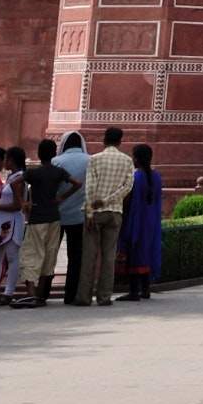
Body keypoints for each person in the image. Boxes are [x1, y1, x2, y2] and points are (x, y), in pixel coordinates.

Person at [16, 138, 75, 307]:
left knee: (31, 255)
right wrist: (62, 197)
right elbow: (77, 183)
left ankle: (31, 294)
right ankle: (41, 295)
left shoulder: (34, 173)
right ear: (54, 153)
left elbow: (14, 183)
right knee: (49, 256)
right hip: (54, 218)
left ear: (39, 154)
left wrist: (22, 202)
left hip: (37, 218)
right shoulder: (58, 171)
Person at [80, 126, 133, 306]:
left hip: (96, 213)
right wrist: (110, 200)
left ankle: (84, 297)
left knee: (89, 256)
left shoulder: (95, 159)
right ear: (120, 141)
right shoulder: (127, 161)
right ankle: (104, 297)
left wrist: (90, 211)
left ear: (104, 140)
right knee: (109, 257)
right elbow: (127, 187)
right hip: (115, 212)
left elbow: (90, 188)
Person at [118, 144, 164, 301]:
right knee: (146, 252)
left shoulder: (136, 177)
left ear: (136, 158)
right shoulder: (156, 176)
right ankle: (145, 289)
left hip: (137, 220)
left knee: (134, 251)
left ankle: (133, 292)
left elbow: (128, 200)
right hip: (151, 221)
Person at [51, 130, 91, 304]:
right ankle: (71, 294)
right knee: (76, 257)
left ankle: (43, 290)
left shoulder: (56, 161)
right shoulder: (90, 161)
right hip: (79, 215)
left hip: (58, 214)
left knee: (51, 254)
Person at [0, 148, 25, 303]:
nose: (4, 161)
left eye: (6, 158)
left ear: (12, 160)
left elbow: (17, 205)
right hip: (1, 221)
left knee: (12, 257)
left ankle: (8, 293)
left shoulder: (19, 178)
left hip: (12, 221)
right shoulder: (11, 177)